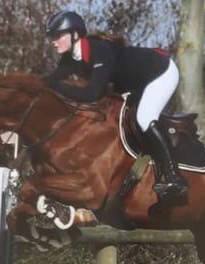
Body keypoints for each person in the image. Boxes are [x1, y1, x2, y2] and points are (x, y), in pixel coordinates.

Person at [43, 10, 188, 204]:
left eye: (58, 35)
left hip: (160, 72)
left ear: (75, 34)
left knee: (144, 118)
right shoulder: (70, 59)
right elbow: (47, 82)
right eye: (52, 36)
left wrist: (59, 87)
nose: (53, 40)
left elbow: (93, 92)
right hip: (136, 83)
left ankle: (174, 177)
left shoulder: (99, 50)